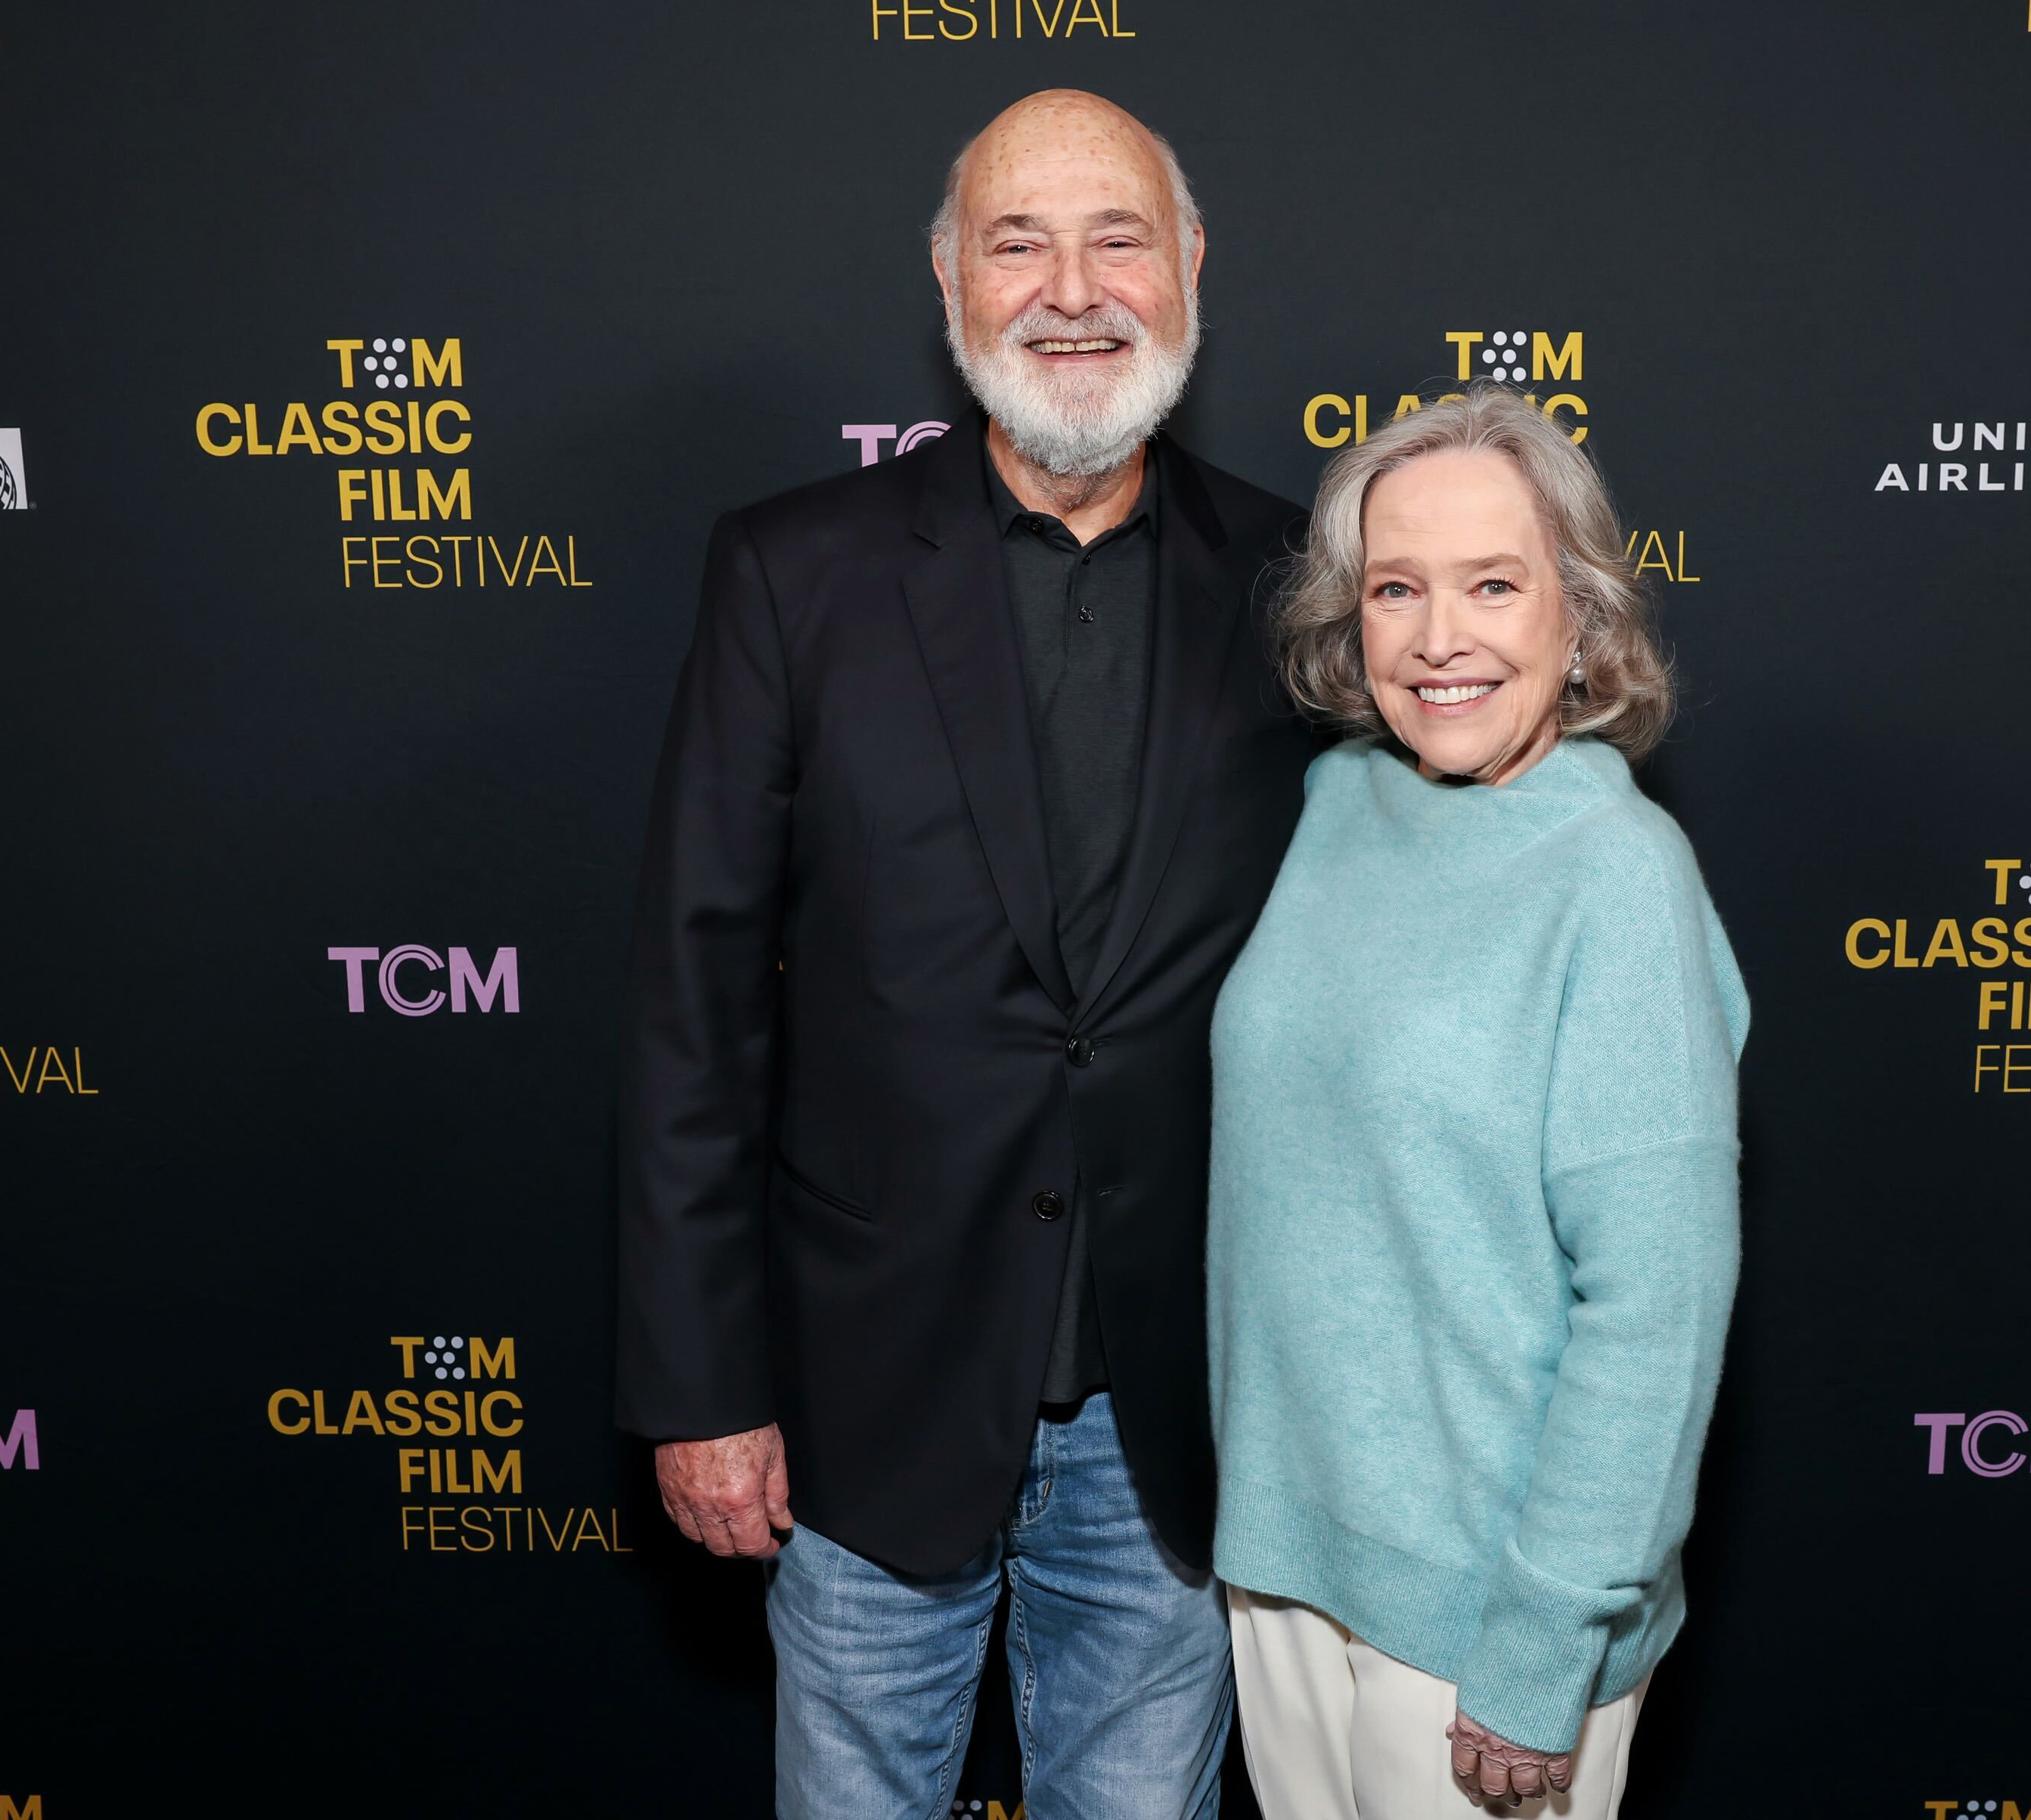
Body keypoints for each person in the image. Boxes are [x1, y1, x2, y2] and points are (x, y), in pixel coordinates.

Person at [615, 89, 1319, 1818]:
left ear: (1190, 263)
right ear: (949, 284)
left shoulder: (1304, 580)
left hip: (1176, 1420)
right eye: (1018, 243)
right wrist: (702, 1387)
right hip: (866, 1401)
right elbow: (695, 1008)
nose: (1071, 290)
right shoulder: (792, 572)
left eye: (1116, 238)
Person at [1207, 388, 1749, 1817]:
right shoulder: (1334, 806)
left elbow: (1656, 1308)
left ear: (1579, 616)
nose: (1439, 637)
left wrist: (1542, 1641)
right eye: (1397, 589)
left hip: (1483, 1623)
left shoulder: (1617, 878)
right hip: (1284, 1568)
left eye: (1493, 586)